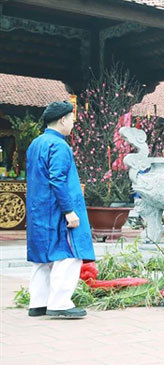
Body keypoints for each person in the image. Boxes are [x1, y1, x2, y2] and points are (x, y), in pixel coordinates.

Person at [26, 101, 95, 318]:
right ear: (63, 119)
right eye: (72, 120)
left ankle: (38, 303)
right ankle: (60, 303)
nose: (73, 125)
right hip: (57, 209)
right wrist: (69, 211)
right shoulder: (60, 146)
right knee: (69, 254)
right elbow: (58, 180)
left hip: (39, 210)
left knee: (42, 258)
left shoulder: (35, 144)